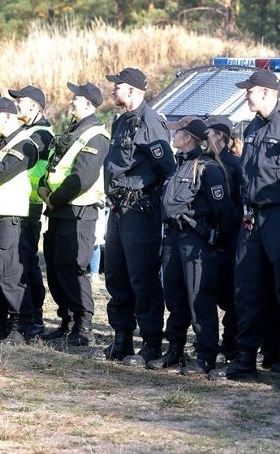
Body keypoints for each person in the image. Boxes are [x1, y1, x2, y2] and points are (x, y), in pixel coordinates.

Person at [212, 68, 280, 391]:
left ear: (267, 93)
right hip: (254, 218)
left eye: (250, 90)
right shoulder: (253, 129)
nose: (246, 95)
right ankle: (246, 357)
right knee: (247, 287)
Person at [152, 116, 235, 375]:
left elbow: (225, 211)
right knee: (175, 296)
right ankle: (175, 349)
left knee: (200, 299)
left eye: (177, 133)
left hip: (196, 240)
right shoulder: (179, 165)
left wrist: (217, 241)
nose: (173, 136)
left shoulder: (208, 168)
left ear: (188, 138)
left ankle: (206, 355)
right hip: (174, 238)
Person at [102, 68, 174, 364]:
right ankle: (122, 338)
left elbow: (167, 168)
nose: (112, 90)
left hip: (140, 210)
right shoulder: (120, 121)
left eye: (116, 86)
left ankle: (152, 344)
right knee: (116, 275)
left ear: (131, 90)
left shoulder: (151, 122)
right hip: (119, 209)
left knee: (142, 278)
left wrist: (151, 200)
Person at [38, 82, 110, 346]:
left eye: (75, 99)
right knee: (57, 269)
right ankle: (66, 321)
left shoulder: (96, 136)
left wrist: (53, 199)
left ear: (88, 104)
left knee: (73, 268)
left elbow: (82, 177)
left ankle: (84, 325)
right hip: (59, 211)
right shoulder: (75, 130)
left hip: (79, 212)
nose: (71, 102)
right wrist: (43, 189)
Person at [0, 97, 41, 343]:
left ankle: (19, 325)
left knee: (10, 274)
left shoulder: (24, 145)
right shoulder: (4, 144)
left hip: (10, 217)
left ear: (8, 117)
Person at [9, 85, 54, 331]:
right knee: (19, 260)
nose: (16, 105)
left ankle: (34, 315)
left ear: (35, 106)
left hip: (30, 204)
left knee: (26, 259)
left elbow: (19, 159)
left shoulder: (42, 133)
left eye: (20, 101)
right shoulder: (26, 130)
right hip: (18, 202)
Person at [204, 115, 243, 360]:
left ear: (219, 135)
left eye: (207, 132)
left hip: (230, 238)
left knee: (231, 295)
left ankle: (231, 343)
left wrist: (227, 233)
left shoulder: (234, 165)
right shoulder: (204, 163)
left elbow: (238, 205)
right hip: (208, 239)